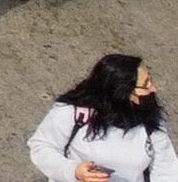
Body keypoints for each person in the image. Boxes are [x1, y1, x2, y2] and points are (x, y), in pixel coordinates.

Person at [27, 53, 175, 182]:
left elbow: (166, 170)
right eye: (145, 85)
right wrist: (73, 171)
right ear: (122, 92)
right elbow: (41, 147)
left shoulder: (149, 120)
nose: (153, 89)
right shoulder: (74, 112)